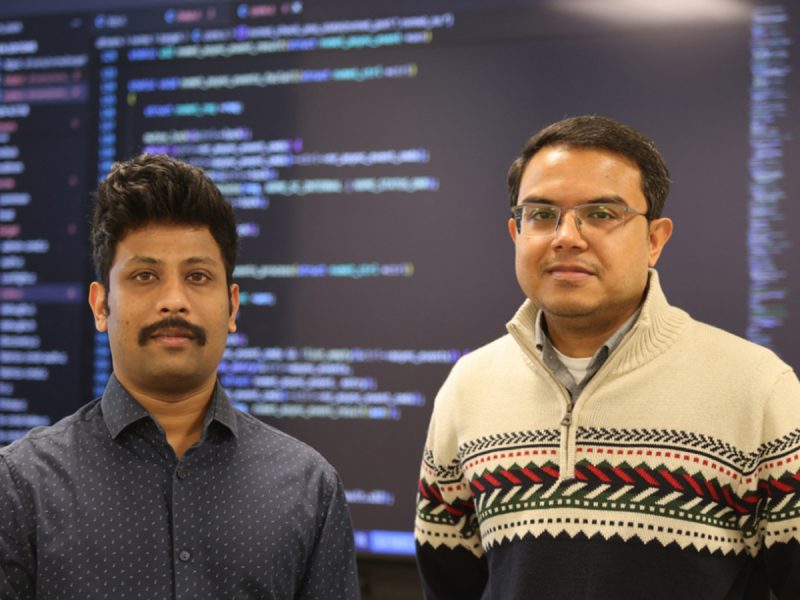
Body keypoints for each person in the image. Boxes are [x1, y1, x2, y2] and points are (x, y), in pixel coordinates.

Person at [414, 115, 800, 598]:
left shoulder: (758, 388)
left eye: (600, 214)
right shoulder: (469, 385)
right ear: (516, 233)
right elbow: (449, 584)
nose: (567, 237)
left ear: (655, 240)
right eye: (541, 214)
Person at [0, 154, 360, 599]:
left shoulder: (309, 488)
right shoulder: (20, 486)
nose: (174, 300)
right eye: (145, 275)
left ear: (232, 306)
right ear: (100, 305)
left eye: (197, 276)